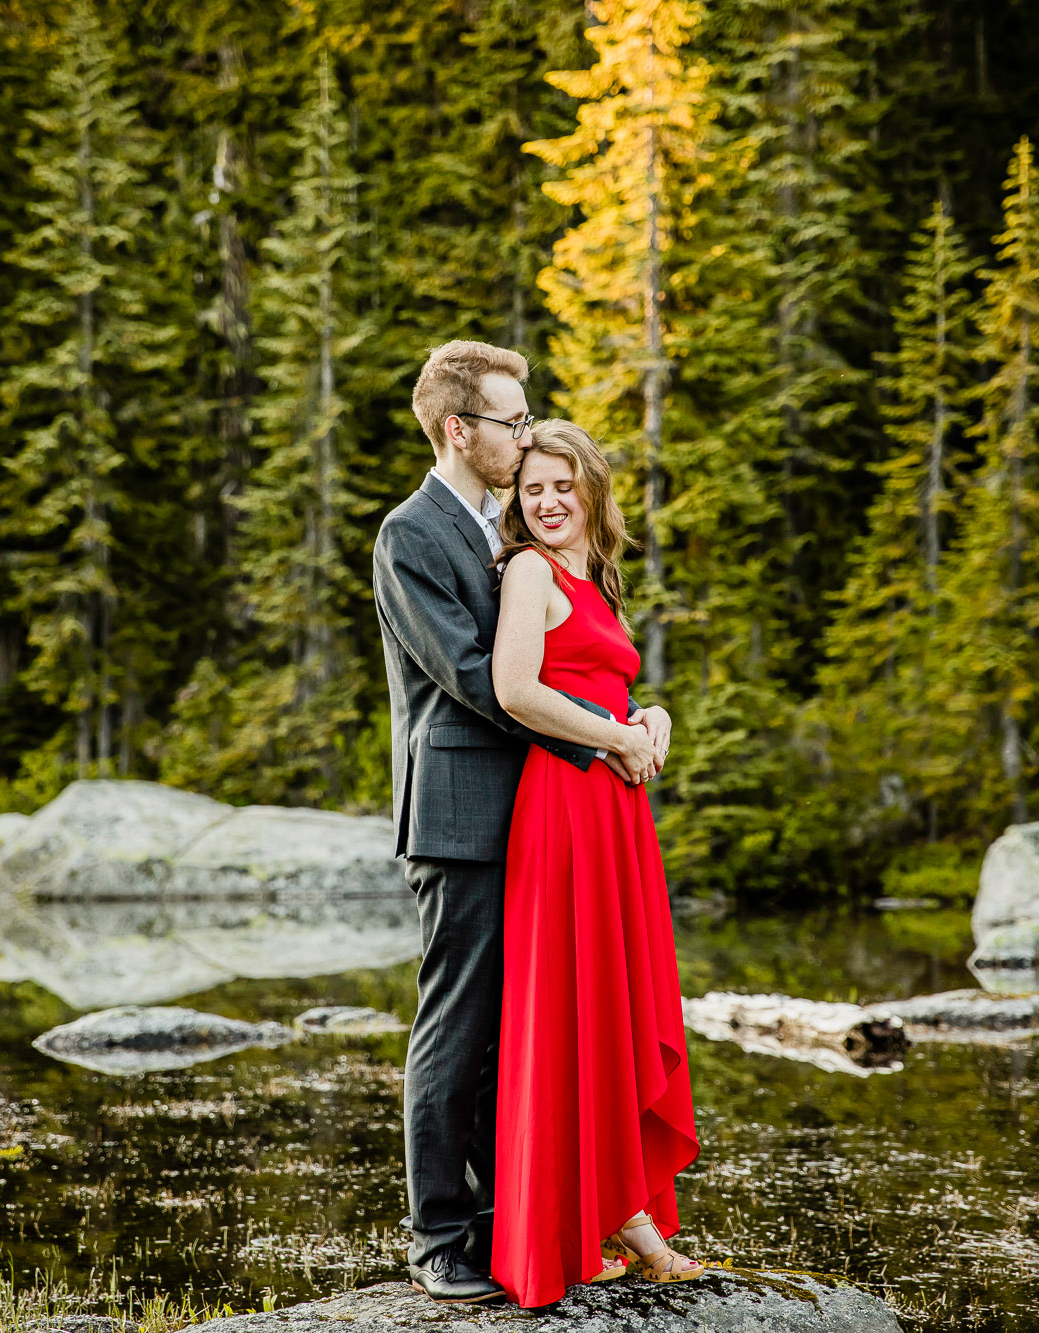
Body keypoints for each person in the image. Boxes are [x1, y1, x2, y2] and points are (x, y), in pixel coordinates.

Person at [371, 342, 670, 1306]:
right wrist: (606, 736)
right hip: (458, 816)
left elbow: (566, 655)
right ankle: (439, 1236)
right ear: (461, 429)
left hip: (537, 814)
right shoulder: (411, 534)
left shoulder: (501, 532)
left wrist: (620, 722)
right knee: (455, 1028)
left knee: (519, 1031)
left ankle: (515, 1220)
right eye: (509, 418)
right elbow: (479, 677)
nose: (522, 429)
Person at [488, 419, 704, 1308]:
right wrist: (616, 733)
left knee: (613, 1003)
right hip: (566, 807)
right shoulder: (530, 573)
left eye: (561, 485)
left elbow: (605, 681)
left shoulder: (594, 580)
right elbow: (516, 690)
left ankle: (616, 1208)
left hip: (617, 811)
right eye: (531, 487)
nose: (545, 501)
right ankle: (605, 1220)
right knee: (573, 1004)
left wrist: (649, 718)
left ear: (592, 494)